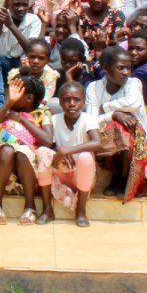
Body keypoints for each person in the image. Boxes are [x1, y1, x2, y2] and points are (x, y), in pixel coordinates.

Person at [85, 45, 147, 202]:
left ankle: (123, 178)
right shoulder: (93, 88)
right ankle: (116, 175)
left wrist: (107, 109)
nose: (126, 72)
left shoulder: (133, 83)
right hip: (105, 136)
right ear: (106, 68)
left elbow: (133, 102)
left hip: (137, 138)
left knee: (122, 129)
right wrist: (114, 115)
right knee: (114, 127)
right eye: (121, 68)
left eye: (129, 68)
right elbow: (91, 119)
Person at [0, 76, 52, 225]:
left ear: (29, 98)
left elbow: (48, 140)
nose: (11, 95)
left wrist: (22, 120)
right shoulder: (7, 112)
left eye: (16, 92)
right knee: (7, 149)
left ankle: (30, 206)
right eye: (10, 92)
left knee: (22, 151)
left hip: (29, 170)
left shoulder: (42, 113)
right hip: (6, 170)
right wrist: (8, 103)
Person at [36, 82, 100, 226]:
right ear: (60, 102)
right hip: (61, 173)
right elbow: (49, 145)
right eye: (67, 100)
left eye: (77, 99)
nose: (72, 104)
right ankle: (47, 209)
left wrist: (67, 151)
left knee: (85, 157)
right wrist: (59, 155)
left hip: (82, 175)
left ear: (83, 102)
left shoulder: (88, 119)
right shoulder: (54, 119)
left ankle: (81, 210)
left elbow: (97, 143)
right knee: (42, 152)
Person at [0, 0, 42, 109]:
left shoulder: (34, 20)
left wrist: (11, 25)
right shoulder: (2, 16)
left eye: (24, 5)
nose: (21, 8)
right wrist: (3, 17)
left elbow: (30, 49)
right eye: (16, 4)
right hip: (4, 63)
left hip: (23, 65)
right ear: (10, 5)